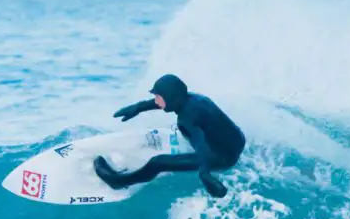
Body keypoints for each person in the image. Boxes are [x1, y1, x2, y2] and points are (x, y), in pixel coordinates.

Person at [94, 74, 245, 198]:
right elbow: (169, 103)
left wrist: (204, 172)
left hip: (222, 156)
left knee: (158, 163)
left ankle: (118, 182)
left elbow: (201, 144)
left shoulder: (186, 119)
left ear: (171, 97)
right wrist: (139, 107)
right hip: (235, 141)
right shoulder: (194, 98)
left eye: (159, 97)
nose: (156, 100)